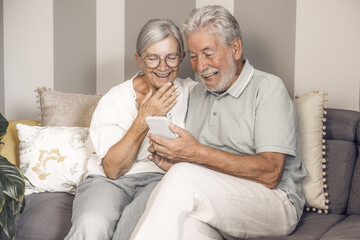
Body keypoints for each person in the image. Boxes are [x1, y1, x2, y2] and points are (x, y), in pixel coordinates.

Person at [131, 5, 307, 240]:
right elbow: (204, 177)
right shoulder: (197, 95)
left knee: (183, 177)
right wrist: (173, 163)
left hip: (275, 203)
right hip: (219, 203)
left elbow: (271, 173)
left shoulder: (267, 89)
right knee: (182, 227)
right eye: (193, 57)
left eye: (208, 53)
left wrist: (195, 154)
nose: (200, 66)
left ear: (235, 48)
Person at [65, 18, 197, 240]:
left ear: (181, 58)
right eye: (153, 58)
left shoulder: (195, 95)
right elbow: (113, 170)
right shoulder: (115, 99)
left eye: (171, 57)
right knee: (91, 224)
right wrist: (144, 117)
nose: (163, 67)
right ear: (139, 59)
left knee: (134, 225)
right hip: (109, 182)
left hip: (161, 179)